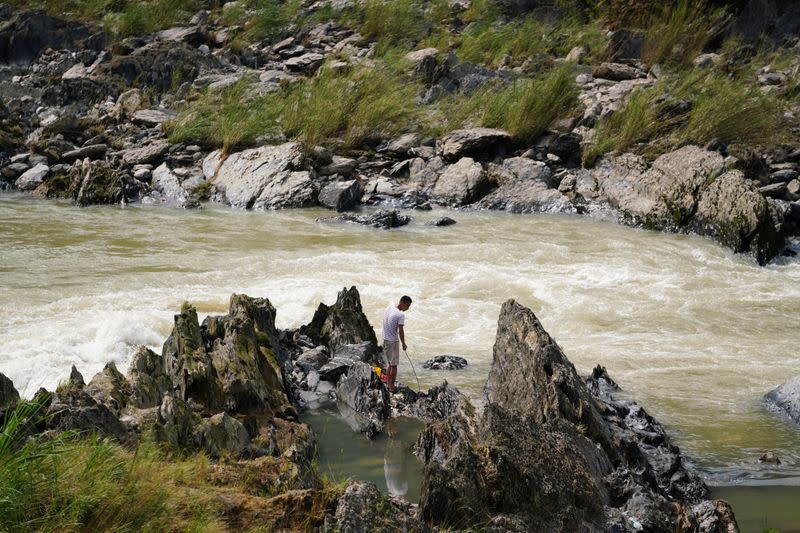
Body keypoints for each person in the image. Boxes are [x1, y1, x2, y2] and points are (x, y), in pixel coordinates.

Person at [382, 295, 411, 393]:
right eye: (407, 306)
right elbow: (401, 331)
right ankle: (391, 387)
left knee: (389, 364)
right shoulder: (400, 315)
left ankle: (387, 384)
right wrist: (403, 344)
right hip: (393, 342)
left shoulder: (389, 308)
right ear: (403, 303)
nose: (407, 309)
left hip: (385, 339)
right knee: (394, 366)